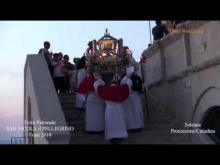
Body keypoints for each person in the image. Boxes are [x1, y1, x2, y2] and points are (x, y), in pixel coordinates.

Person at [97, 77, 129, 142]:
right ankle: (120, 135)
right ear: (116, 83)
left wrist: (98, 78)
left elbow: (97, 86)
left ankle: (111, 136)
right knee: (119, 122)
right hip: (118, 108)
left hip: (109, 109)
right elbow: (128, 85)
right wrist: (127, 77)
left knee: (110, 123)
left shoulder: (106, 89)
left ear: (110, 84)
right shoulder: (121, 88)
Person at [77, 68, 105, 132]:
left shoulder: (86, 79)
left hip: (91, 99)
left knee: (91, 115)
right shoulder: (100, 80)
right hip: (98, 98)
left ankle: (91, 128)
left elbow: (80, 92)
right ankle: (99, 128)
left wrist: (84, 99)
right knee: (98, 114)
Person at [120, 66, 144, 131]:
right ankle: (130, 126)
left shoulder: (137, 78)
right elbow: (121, 85)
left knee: (136, 111)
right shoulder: (125, 79)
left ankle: (138, 126)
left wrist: (137, 90)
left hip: (135, 96)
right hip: (128, 98)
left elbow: (139, 87)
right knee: (129, 112)